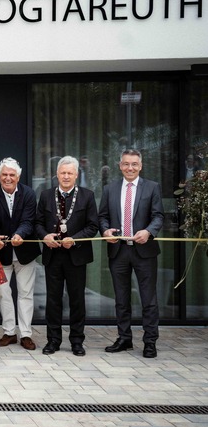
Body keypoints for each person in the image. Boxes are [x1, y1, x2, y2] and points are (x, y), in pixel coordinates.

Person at [98, 149, 164, 358]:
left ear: (141, 166)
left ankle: (150, 341)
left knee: (148, 299)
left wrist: (149, 231)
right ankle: (124, 338)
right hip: (118, 251)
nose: (130, 168)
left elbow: (158, 216)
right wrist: (105, 230)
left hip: (144, 251)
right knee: (121, 298)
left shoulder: (152, 188)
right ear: (120, 166)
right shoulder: (110, 189)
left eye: (134, 164)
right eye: (126, 164)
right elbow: (103, 217)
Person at [36, 156, 98, 357]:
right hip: (53, 255)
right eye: (62, 172)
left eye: (70, 173)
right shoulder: (45, 195)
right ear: (56, 174)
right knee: (53, 300)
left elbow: (92, 226)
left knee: (77, 300)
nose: (66, 176)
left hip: (76, 256)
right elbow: (37, 223)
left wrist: (75, 238)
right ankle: (53, 340)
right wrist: (45, 236)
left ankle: (77, 341)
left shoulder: (87, 196)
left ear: (76, 175)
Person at [0, 157, 40, 351]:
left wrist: (20, 234)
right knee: (2, 293)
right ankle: (9, 331)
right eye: (4, 175)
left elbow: (29, 220)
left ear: (18, 176)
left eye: (12, 175)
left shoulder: (28, 193)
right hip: (1, 253)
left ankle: (26, 334)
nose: (8, 178)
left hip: (25, 251)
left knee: (26, 293)